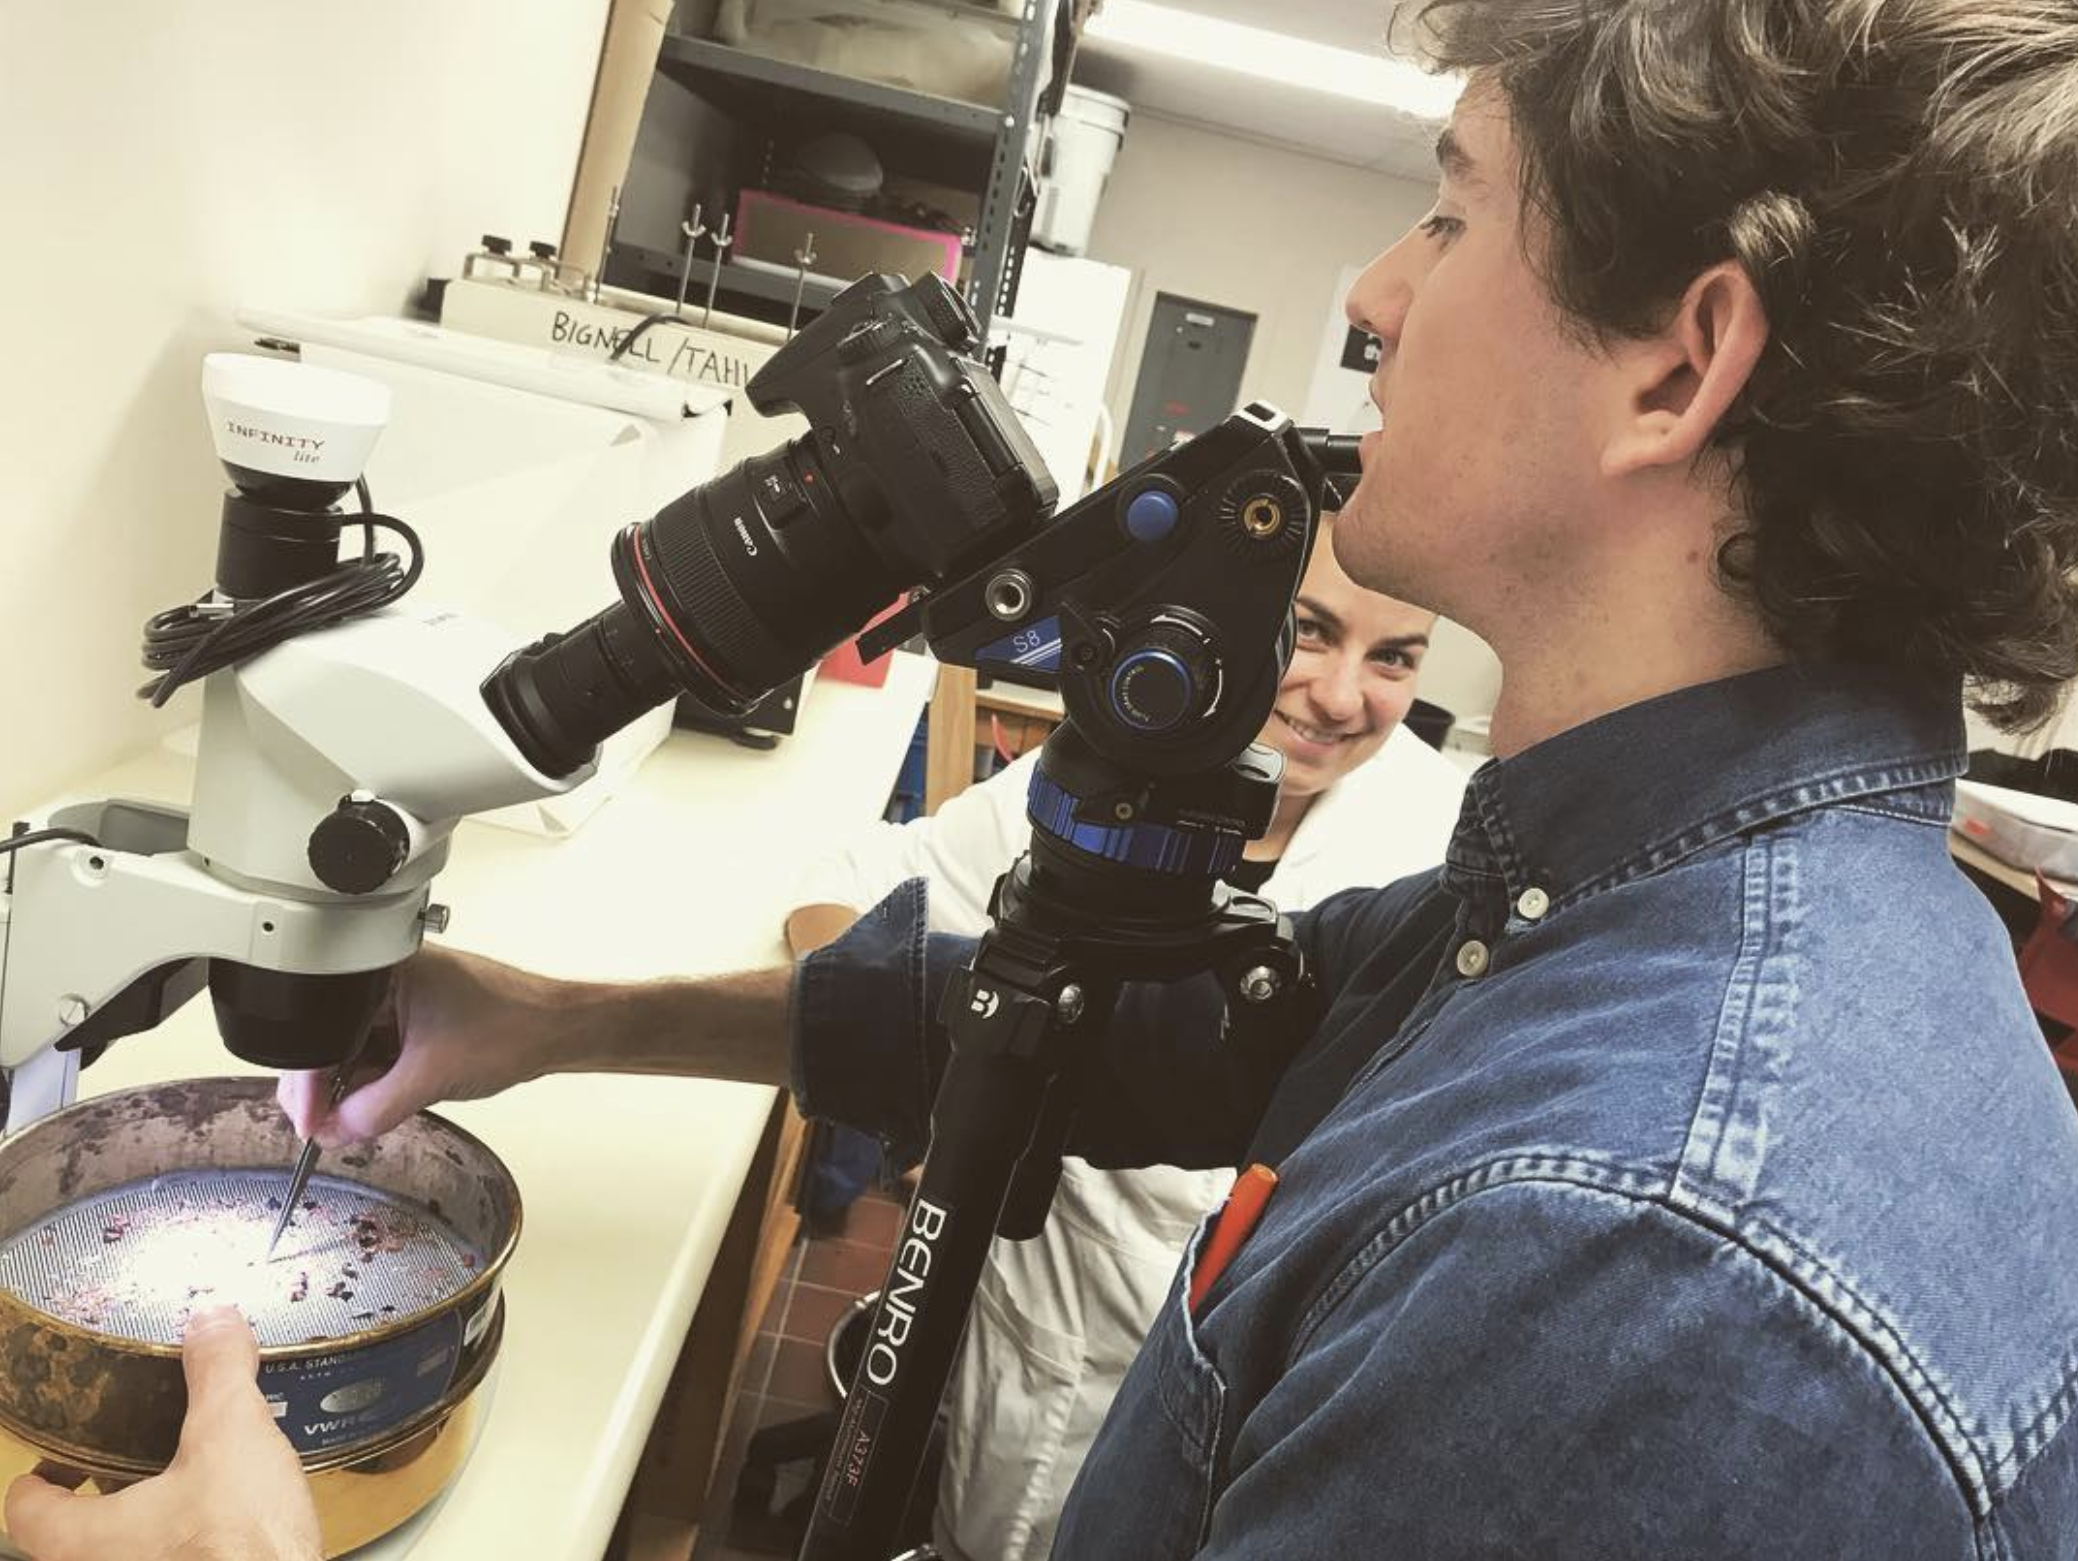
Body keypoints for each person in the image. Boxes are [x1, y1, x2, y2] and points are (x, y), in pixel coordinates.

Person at [27, 0, 2078, 1554]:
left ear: (1673, 367)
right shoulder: (1645, 901)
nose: (1371, 299)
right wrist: (557, 1022)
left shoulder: (1636, 1276)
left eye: (1449, 215)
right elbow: (1143, 1034)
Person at [782, 519, 1463, 1561]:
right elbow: (844, 882)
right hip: (1038, 1343)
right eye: (1310, 634)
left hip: (1247, 1398)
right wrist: (918, 1080)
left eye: (1392, 658)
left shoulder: (1442, 846)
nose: (1337, 697)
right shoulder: (1112, 784)